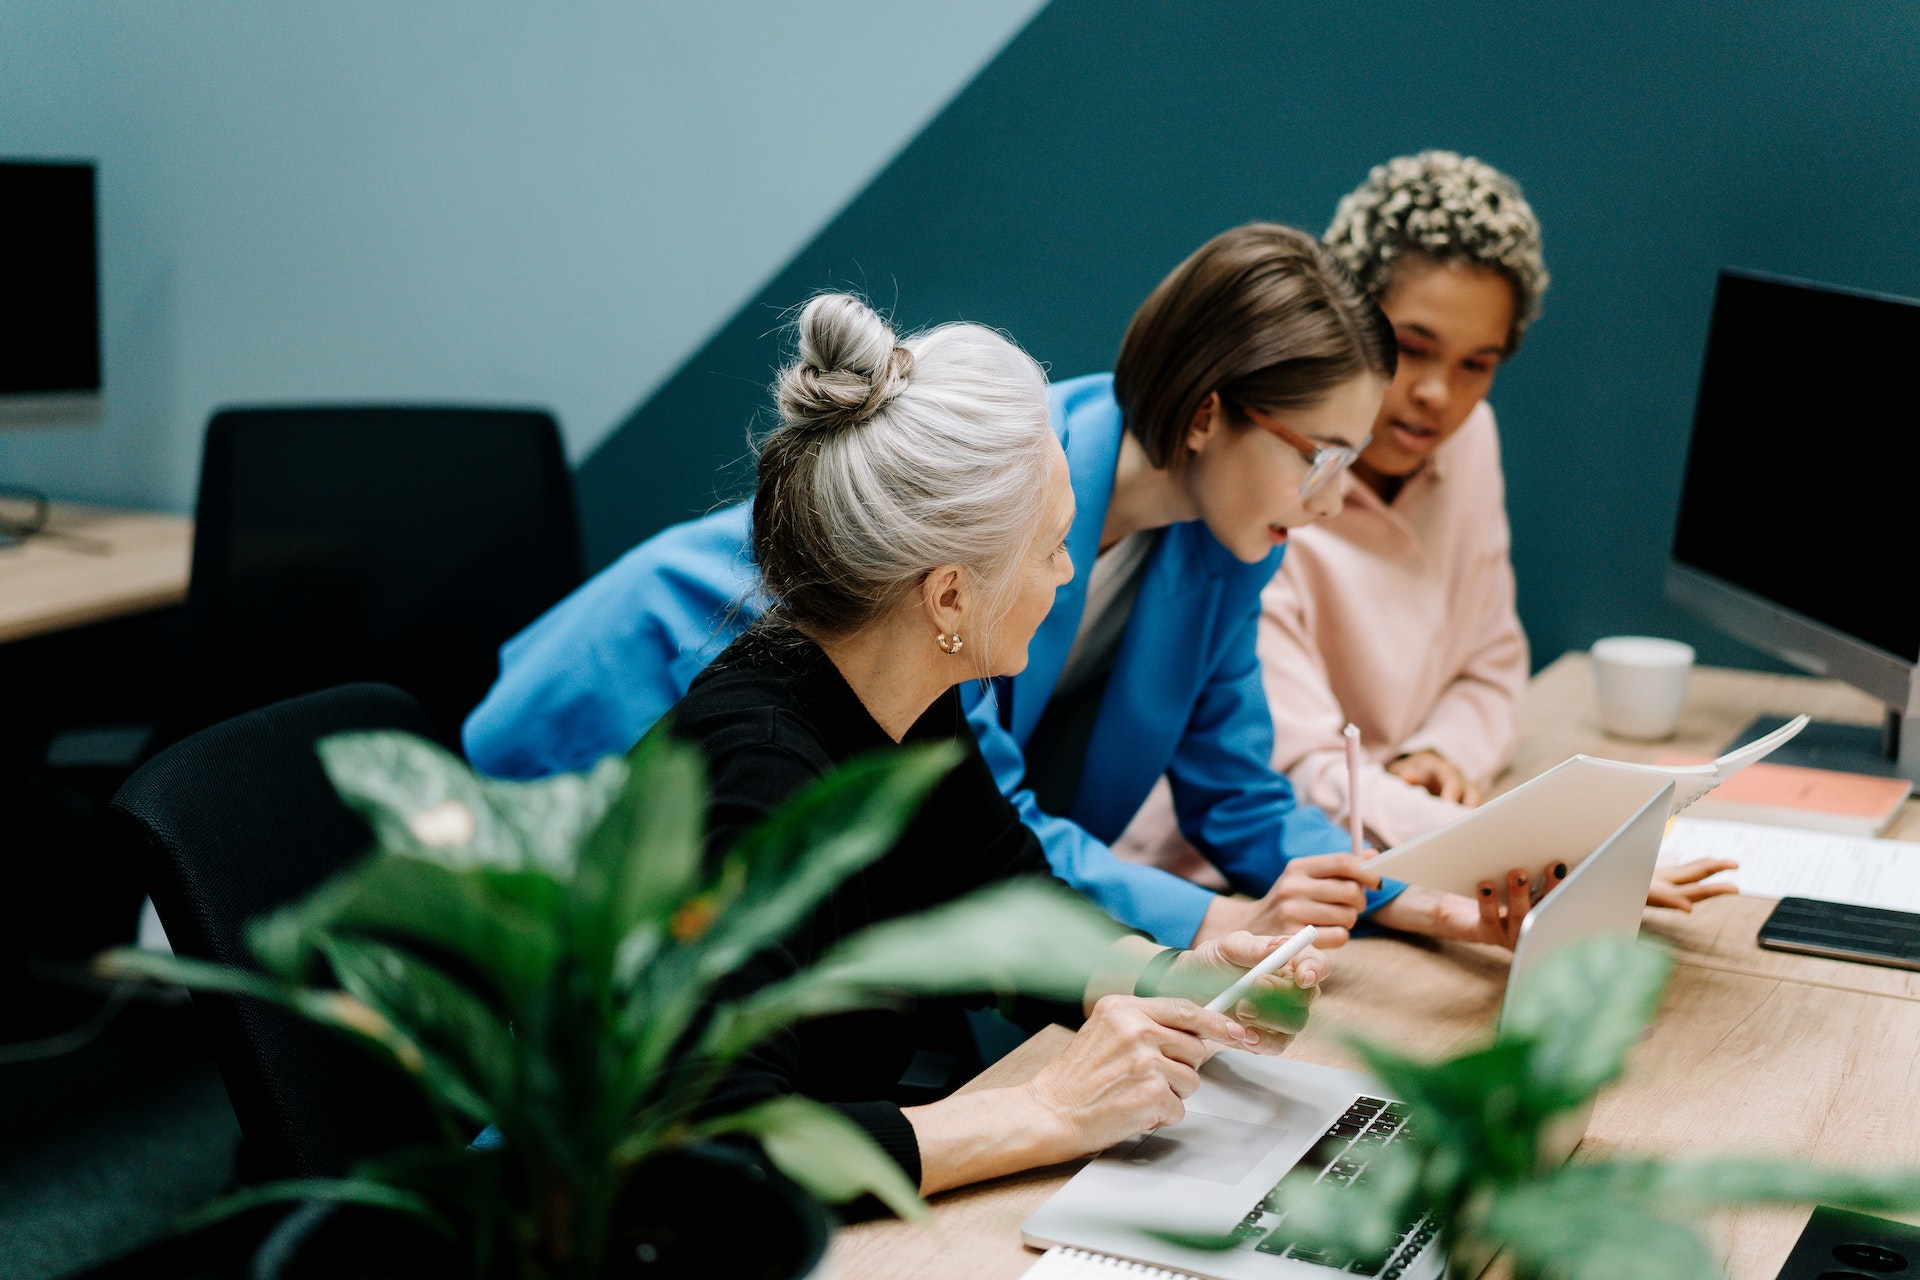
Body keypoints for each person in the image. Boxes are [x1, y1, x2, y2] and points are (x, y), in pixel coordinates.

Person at [467, 224, 1539, 950]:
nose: (1328, 499)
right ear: (1211, 414)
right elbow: (999, 815)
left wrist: (1417, 902)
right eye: (1320, 456)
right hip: (637, 692)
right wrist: (1212, 927)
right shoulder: (1006, 520)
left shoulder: (1226, 544)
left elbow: (1239, 791)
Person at [682, 293, 1328, 1194]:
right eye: (1053, 547)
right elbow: (713, 1150)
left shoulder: (912, 704)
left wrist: (1183, 978)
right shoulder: (756, 776)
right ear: (948, 598)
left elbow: (1014, 908)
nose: (1069, 575)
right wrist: (1047, 1110)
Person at [1116, 152, 1733, 912]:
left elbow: (1492, 658)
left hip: (1386, 851)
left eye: (1477, 364)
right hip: (1229, 879)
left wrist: (1439, 752)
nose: (1438, 396)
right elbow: (1291, 777)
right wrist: (1534, 850)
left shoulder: (1469, 446)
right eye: (1412, 349)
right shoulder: (1257, 493)